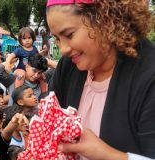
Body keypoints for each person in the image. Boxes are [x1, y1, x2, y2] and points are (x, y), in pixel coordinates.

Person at [46, 0, 155, 159]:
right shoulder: (68, 67)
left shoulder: (149, 74)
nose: (63, 49)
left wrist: (107, 154)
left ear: (104, 19)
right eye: (57, 38)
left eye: (69, 35)